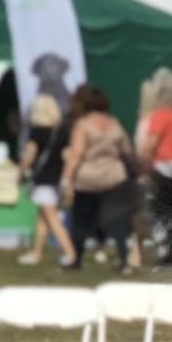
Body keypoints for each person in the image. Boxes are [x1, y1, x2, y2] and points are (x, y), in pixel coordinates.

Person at [61, 84, 141, 270]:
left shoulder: (82, 125)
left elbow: (76, 154)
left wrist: (66, 179)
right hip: (114, 176)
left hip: (87, 179)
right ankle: (123, 258)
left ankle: (76, 258)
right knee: (118, 220)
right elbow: (126, 150)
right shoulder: (114, 123)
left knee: (80, 220)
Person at [22, 92, 75, 268]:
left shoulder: (36, 132)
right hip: (56, 181)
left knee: (52, 219)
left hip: (43, 180)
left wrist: (20, 169)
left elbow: (29, 155)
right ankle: (36, 254)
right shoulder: (62, 133)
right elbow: (67, 156)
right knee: (43, 219)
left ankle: (70, 253)